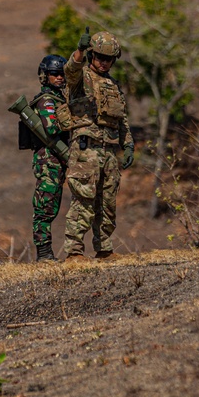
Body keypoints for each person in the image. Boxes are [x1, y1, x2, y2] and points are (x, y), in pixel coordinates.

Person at [62, 30, 134, 261]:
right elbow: (69, 71)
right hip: (87, 149)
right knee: (83, 198)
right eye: (100, 57)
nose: (104, 63)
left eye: (109, 59)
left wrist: (128, 144)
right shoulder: (81, 77)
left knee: (107, 201)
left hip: (110, 150)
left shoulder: (113, 84)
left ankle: (104, 248)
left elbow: (121, 118)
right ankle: (74, 251)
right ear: (92, 55)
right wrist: (79, 51)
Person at [30, 54, 69, 261]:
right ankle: (44, 254)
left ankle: (48, 253)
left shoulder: (60, 99)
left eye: (62, 73)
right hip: (48, 162)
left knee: (53, 206)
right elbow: (52, 128)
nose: (60, 77)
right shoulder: (46, 101)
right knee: (44, 208)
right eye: (54, 74)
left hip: (57, 161)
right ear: (45, 76)